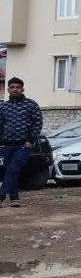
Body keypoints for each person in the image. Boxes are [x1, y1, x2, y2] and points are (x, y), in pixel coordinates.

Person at [0, 77, 44, 208]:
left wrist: (31, 140)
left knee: (13, 169)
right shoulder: (3, 106)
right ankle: (14, 199)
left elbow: (38, 123)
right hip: (6, 145)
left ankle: (1, 196)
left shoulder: (31, 105)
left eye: (17, 87)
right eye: (12, 87)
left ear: (22, 89)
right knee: (10, 170)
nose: (15, 89)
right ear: (8, 89)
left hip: (23, 145)